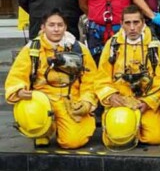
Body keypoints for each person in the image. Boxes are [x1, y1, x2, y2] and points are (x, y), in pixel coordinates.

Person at [5, 9, 98, 149]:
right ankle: (43, 132)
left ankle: (64, 126)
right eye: (51, 25)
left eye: (60, 25)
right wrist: (18, 91)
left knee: (72, 141)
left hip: (71, 100)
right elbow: (16, 76)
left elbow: (91, 79)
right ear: (43, 27)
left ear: (65, 27)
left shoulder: (79, 49)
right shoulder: (32, 49)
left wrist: (86, 102)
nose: (56, 29)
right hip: (42, 101)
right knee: (32, 110)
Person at [93, 5, 160, 150]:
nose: (132, 27)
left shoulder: (156, 46)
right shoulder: (112, 46)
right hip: (120, 102)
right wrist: (111, 97)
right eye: (128, 23)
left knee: (156, 138)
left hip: (145, 103)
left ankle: (139, 129)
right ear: (121, 24)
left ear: (143, 23)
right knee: (116, 138)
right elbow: (101, 78)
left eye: (136, 22)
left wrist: (147, 103)